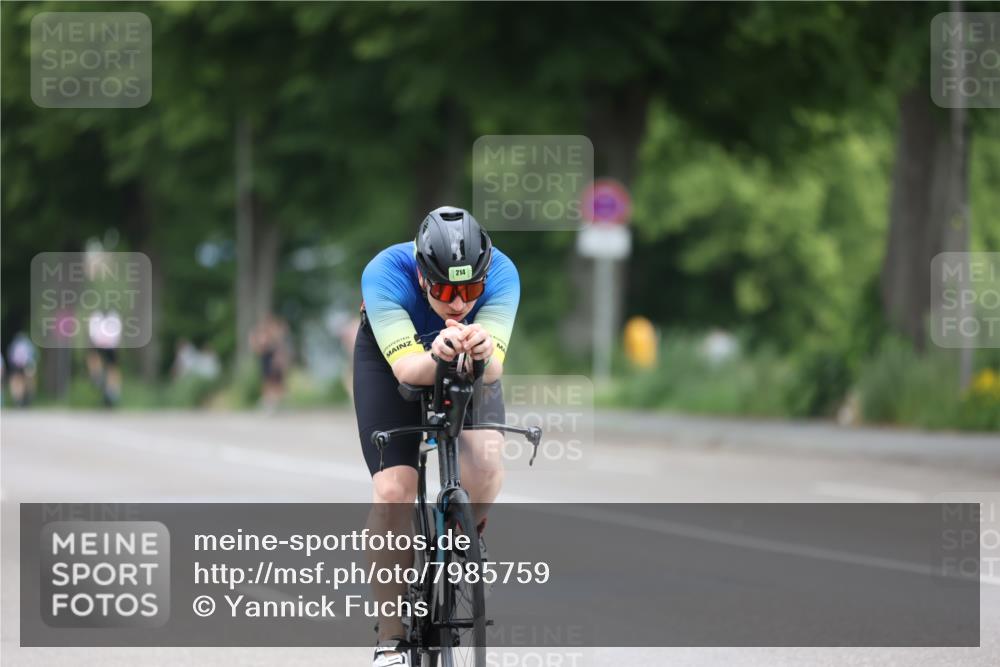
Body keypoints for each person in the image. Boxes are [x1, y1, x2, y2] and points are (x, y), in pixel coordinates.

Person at [354, 206, 519, 667]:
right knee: (393, 490)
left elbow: (495, 367)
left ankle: (466, 530)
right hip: (392, 362)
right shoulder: (385, 272)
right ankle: (391, 638)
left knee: (485, 464)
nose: (459, 304)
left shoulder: (503, 272)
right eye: (445, 290)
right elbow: (407, 369)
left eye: (470, 290)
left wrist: (481, 351)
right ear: (422, 276)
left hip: (470, 364)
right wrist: (439, 353)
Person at [249, 314, 291, 411]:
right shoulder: (265, 334)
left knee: (277, 382)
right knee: (268, 381)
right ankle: (270, 402)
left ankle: (277, 403)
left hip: (273, 359)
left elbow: (278, 347)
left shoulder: (275, 334)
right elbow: (259, 348)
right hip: (267, 358)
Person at [7, 332, 37, 408]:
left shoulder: (15, 344)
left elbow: (10, 357)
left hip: (18, 365)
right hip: (25, 364)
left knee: (20, 383)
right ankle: (24, 399)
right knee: (25, 382)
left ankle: (20, 400)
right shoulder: (27, 344)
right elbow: (33, 355)